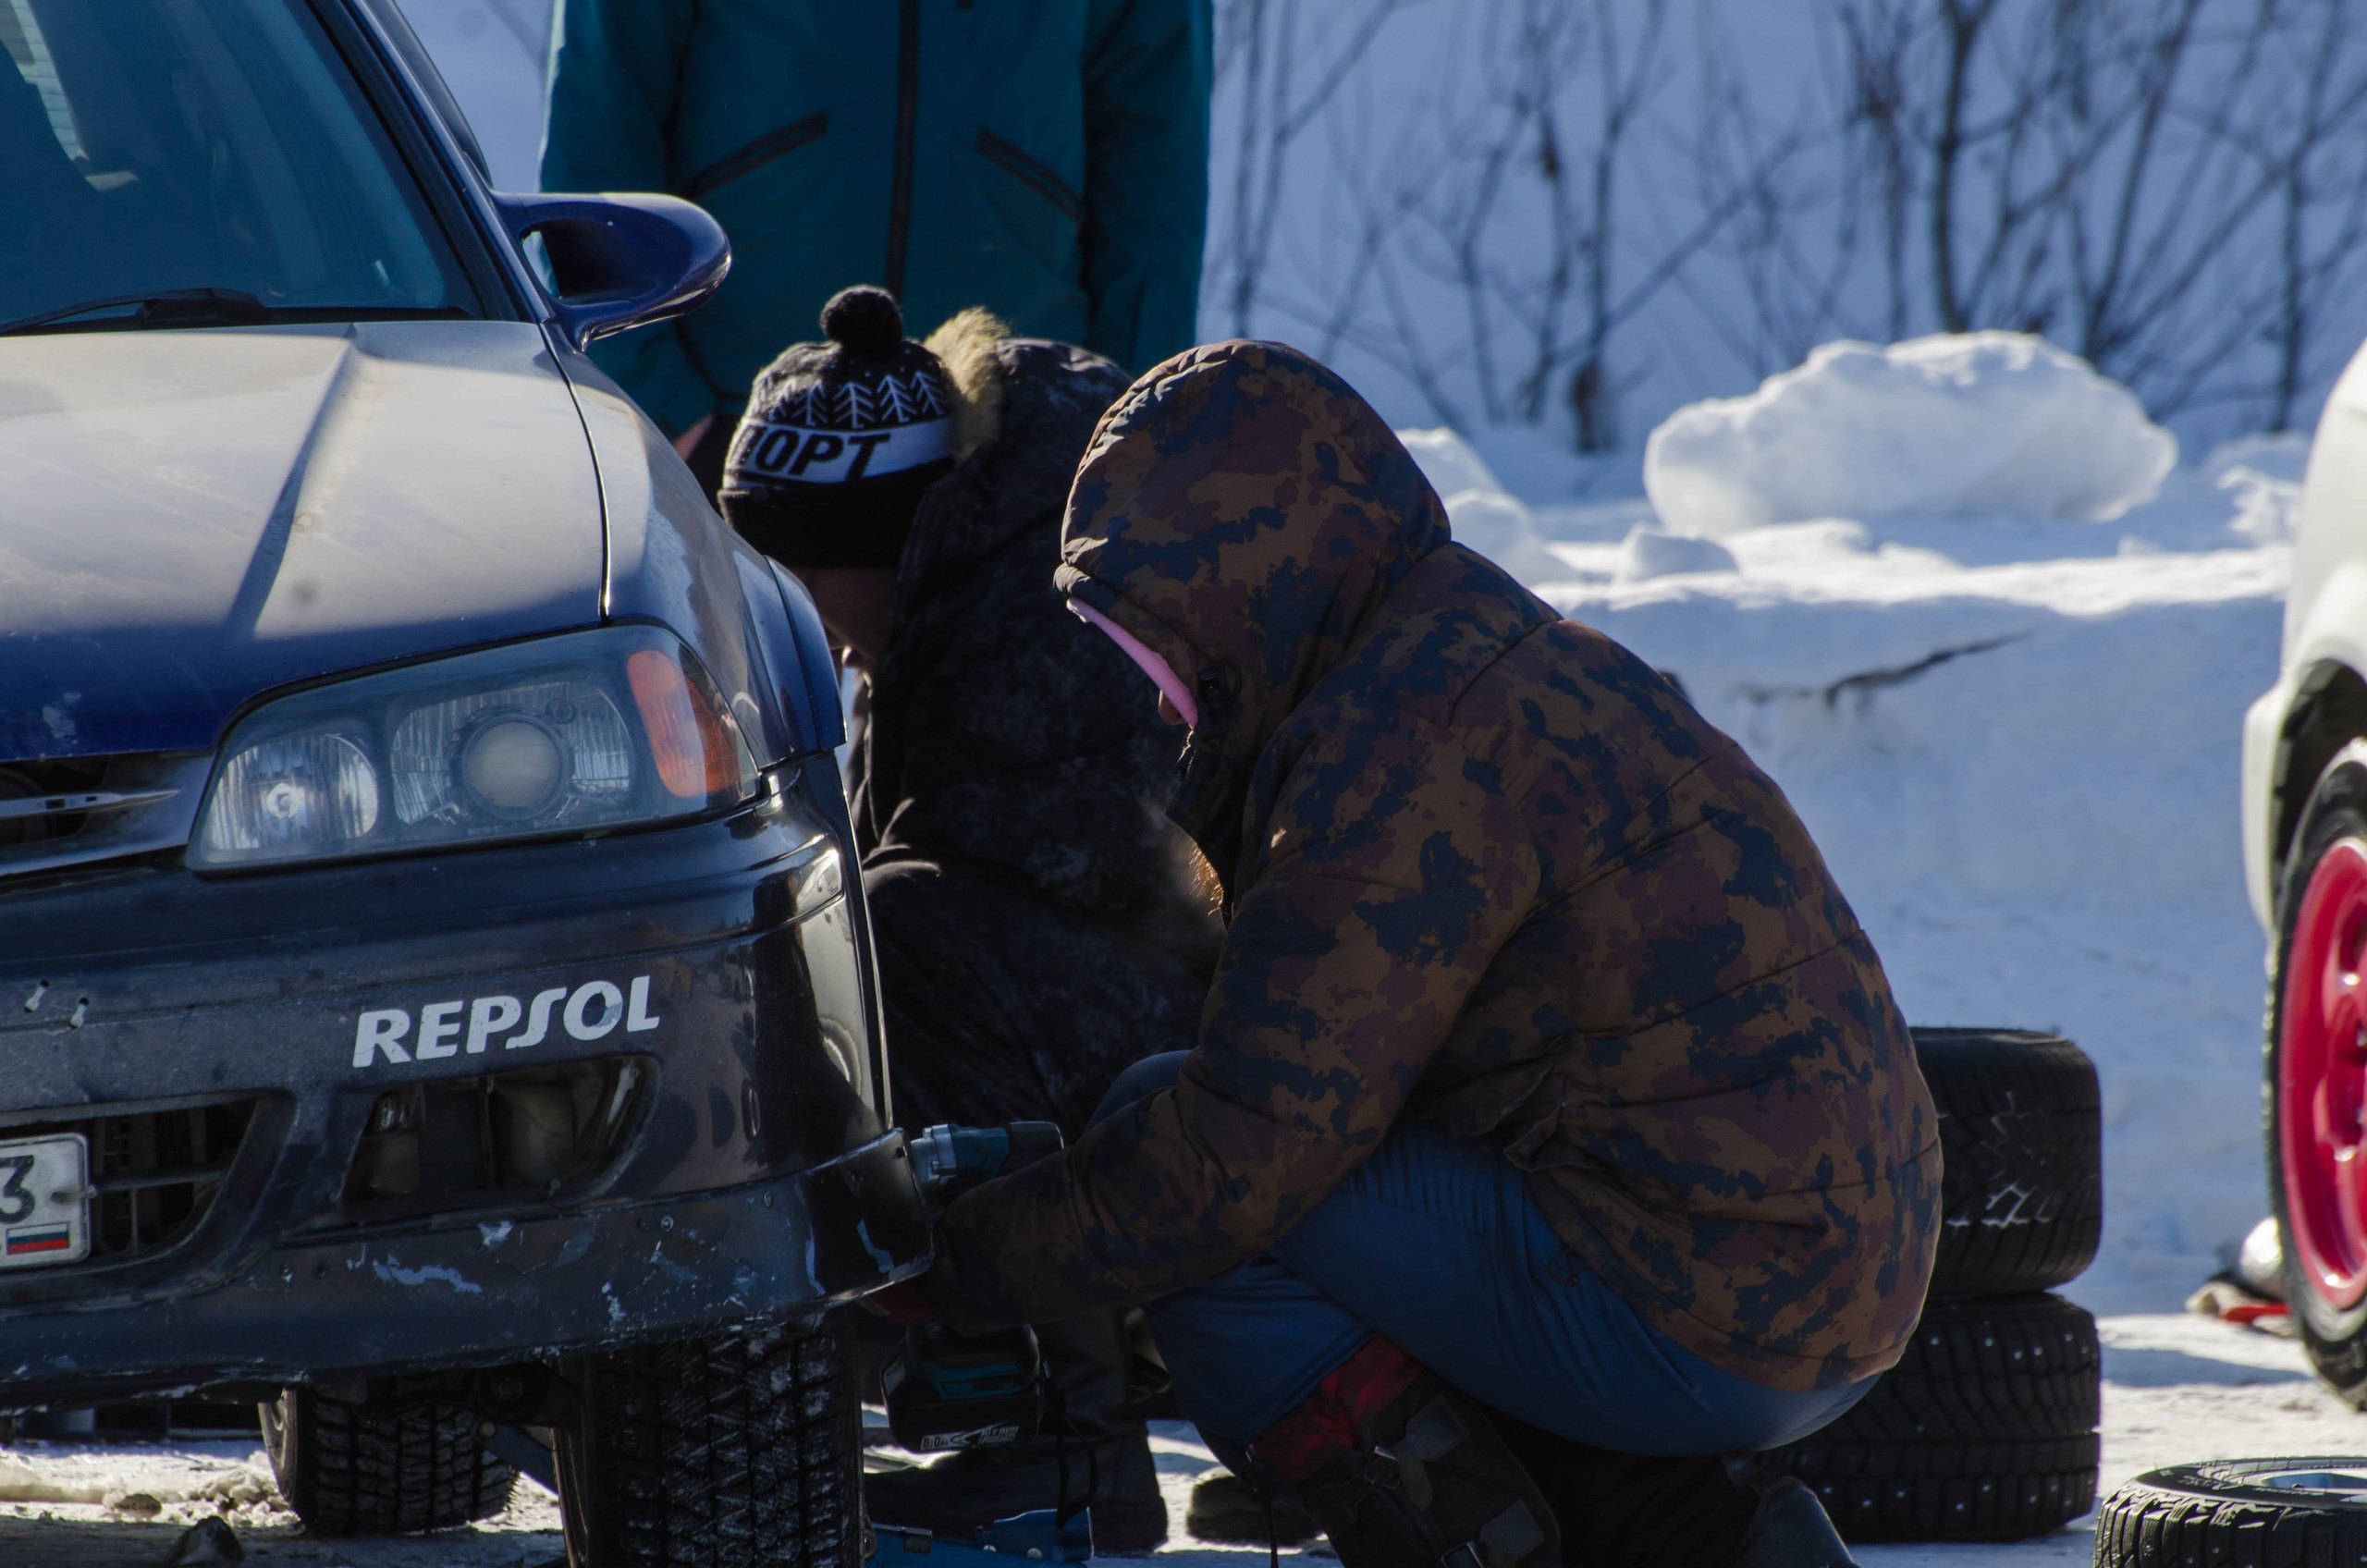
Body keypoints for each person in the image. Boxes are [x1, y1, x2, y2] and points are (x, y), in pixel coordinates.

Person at [901, 342, 1944, 1568]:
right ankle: (1692, 1530)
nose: (1163, 686)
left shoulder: (1391, 754)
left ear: (1245, 583)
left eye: (1162, 636)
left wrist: (949, 1266)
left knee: (1204, 1202)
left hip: (1719, 1307)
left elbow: (1241, 1157)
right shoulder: (1482, 651)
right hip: (1836, 1276)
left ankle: (1499, 1540)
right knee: (1267, 1180)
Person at [718, 287, 1220, 1549]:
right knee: (882, 931)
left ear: (877, 538)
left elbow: (1039, 881)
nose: (795, 614)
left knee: (899, 946)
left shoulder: (1040, 608)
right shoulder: (963, 550)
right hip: (1176, 982)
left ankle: (1066, 1445)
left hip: (1224, 1010)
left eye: (802, 577)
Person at [539, 0, 1212, 495]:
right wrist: (663, 411)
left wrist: (1124, 432)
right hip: (731, 432)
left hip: (1017, 445)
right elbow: (599, 129)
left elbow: (1156, 181)